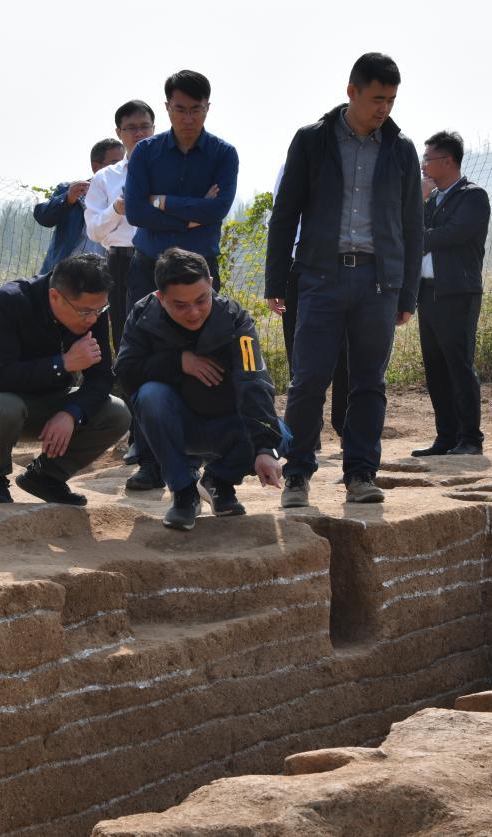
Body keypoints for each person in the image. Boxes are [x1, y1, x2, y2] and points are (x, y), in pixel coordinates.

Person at [265, 52, 422, 507]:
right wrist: (276, 280)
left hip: (378, 283)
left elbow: (412, 226)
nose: (384, 109)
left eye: (391, 100)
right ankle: (297, 475)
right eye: (376, 99)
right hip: (321, 277)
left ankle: (360, 474)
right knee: (308, 379)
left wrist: (407, 292)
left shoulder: (401, 148)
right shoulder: (312, 141)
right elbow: (285, 213)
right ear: (352, 91)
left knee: (368, 382)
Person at [121, 69, 239, 492]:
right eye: (180, 109)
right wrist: (190, 212)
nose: (188, 118)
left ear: (208, 108)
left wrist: (163, 202)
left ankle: (194, 456)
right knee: (145, 359)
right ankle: (148, 459)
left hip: (200, 273)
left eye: (196, 109)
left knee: (204, 355)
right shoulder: (146, 152)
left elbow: (218, 209)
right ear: (167, 108)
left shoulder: (223, 154)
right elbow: (136, 211)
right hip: (148, 267)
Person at [114, 248, 286, 531]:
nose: (193, 312)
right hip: (176, 425)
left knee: (279, 436)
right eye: (180, 305)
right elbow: (126, 371)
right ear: (160, 298)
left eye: (201, 300)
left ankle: (218, 481)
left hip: (228, 424)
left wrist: (265, 448)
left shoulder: (235, 318)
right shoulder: (144, 315)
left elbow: (254, 381)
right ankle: (184, 493)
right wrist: (178, 362)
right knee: (151, 396)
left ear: (211, 284)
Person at [0, 254, 131, 506]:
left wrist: (71, 413)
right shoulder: (11, 301)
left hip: (44, 402)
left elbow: (101, 379)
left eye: (100, 310)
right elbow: (2, 377)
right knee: (4, 407)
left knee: (117, 412)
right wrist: (63, 364)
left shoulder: (92, 312)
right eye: (85, 311)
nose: (93, 319)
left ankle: (46, 477)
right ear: (55, 296)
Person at [410, 130, 490, 457]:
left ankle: (470, 438)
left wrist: (420, 235)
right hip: (427, 292)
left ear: (447, 161)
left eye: (428, 159)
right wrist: (420, 201)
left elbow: (451, 235)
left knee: (459, 365)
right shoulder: (429, 199)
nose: (423, 165)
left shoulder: (473, 196)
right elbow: (408, 231)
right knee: (435, 368)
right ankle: (445, 437)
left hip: (458, 292)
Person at [273, 165, 348, 438]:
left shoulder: (357, 161)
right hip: (299, 267)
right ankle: (307, 432)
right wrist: (275, 282)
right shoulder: (293, 166)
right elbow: (281, 221)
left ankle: (347, 426)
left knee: (347, 352)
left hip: (346, 266)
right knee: (300, 353)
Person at [84, 100, 157, 355]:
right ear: (119, 132)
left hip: (163, 258)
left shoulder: (169, 172)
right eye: (131, 128)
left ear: (154, 128)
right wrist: (116, 209)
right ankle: (127, 377)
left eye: (145, 126)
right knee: (125, 332)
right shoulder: (105, 178)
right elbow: (94, 231)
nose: (139, 133)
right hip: (121, 262)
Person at [34, 139, 125, 275]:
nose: (120, 169)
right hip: (64, 276)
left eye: (123, 164)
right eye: (114, 164)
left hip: (105, 277)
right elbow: (43, 217)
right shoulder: (72, 191)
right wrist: (67, 199)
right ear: (96, 167)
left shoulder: (125, 197)